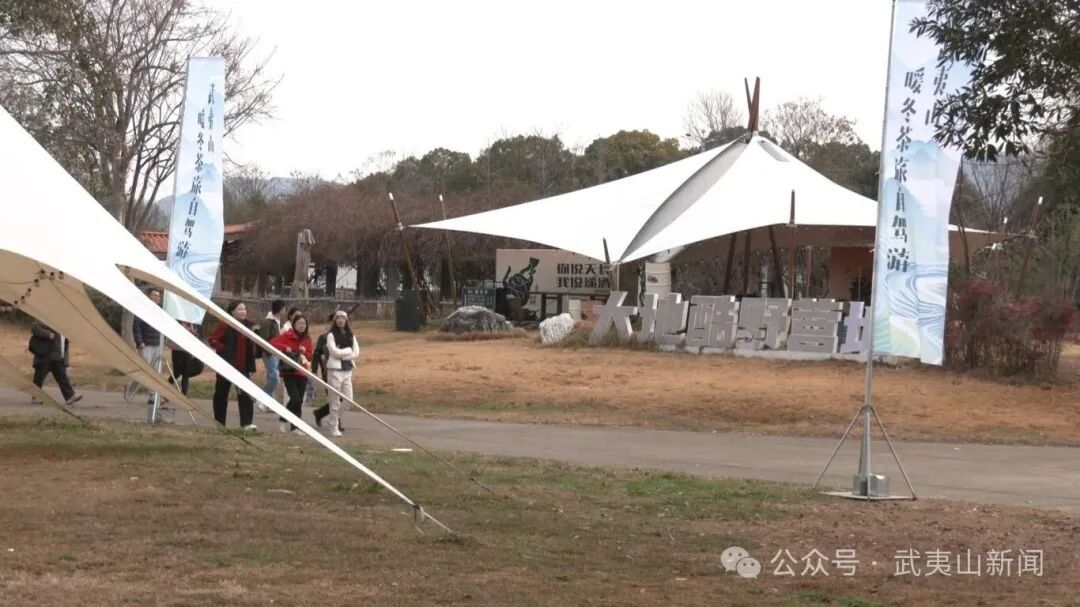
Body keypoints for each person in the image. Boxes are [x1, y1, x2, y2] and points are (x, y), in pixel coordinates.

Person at [208, 301, 258, 431]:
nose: (243, 312)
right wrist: (224, 349)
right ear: (232, 311)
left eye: (244, 309)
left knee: (245, 394)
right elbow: (213, 340)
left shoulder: (248, 326)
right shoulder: (225, 324)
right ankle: (220, 423)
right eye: (239, 309)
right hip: (226, 366)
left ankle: (246, 424)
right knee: (221, 393)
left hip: (242, 367)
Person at [270, 313, 313, 434]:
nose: (302, 326)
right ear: (294, 324)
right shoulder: (288, 335)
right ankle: (286, 420)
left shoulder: (307, 339)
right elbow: (272, 343)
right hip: (289, 371)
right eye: (299, 323)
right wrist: (285, 347)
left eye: (304, 324)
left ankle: (294, 426)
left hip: (302, 371)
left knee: (298, 401)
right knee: (295, 399)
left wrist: (305, 351)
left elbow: (310, 357)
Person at [324, 310, 359, 438]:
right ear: (335, 320)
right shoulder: (331, 335)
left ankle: (333, 419)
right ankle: (334, 427)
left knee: (349, 400)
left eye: (343, 318)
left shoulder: (351, 334)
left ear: (346, 320)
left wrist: (344, 354)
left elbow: (356, 352)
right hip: (334, 371)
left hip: (347, 370)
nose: (340, 320)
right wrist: (348, 351)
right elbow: (334, 352)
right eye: (338, 318)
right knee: (334, 401)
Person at [28, 321, 82, 405]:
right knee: (39, 378)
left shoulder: (64, 332)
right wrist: (48, 334)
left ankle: (69, 397)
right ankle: (35, 397)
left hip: (57, 358)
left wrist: (65, 361)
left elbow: (64, 348)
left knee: (63, 378)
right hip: (45, 356)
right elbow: (34, 326)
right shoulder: (50, 321)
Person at [132, 288, 164, 407]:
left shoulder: (161, 311)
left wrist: (164, 341)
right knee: (146, 371)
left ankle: (153, 396)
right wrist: (139, 342)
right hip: (146, 345)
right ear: (149, 296)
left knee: (155, 372)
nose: (156, 298)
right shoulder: (142, 309)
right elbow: (136, 327)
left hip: (158, 345)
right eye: (154, 295)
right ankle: (133, 384)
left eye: (158, 296)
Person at [257, 299, 287, 412]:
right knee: (274, 377)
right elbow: (263, 339)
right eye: (284, 308)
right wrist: (269, 352)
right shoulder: (268, 322)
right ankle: (262, 398)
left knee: (271, 377)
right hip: (269, 354)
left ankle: (269, 404)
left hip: (276, 353)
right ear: (280, 309)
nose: (285, 310)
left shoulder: (278, 321)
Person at [310, 314, 335, 428]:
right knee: (334, 397)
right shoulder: (324, 337)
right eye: (334, 321)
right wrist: (314, 370)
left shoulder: (343, 336)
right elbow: (316, 354)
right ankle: (335, 422)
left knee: (340, 398)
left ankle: (320, 413)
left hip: (342, 371)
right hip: (327, 371)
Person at [165, 321, 202, 396]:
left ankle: (184, 395)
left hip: (187, 351)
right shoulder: (177, 323)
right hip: (177, 351)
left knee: (186, 373)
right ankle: (166, 390)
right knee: (176, 373)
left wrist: (194, 332)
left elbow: (196, 338)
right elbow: (169, 340)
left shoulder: (192, 324)